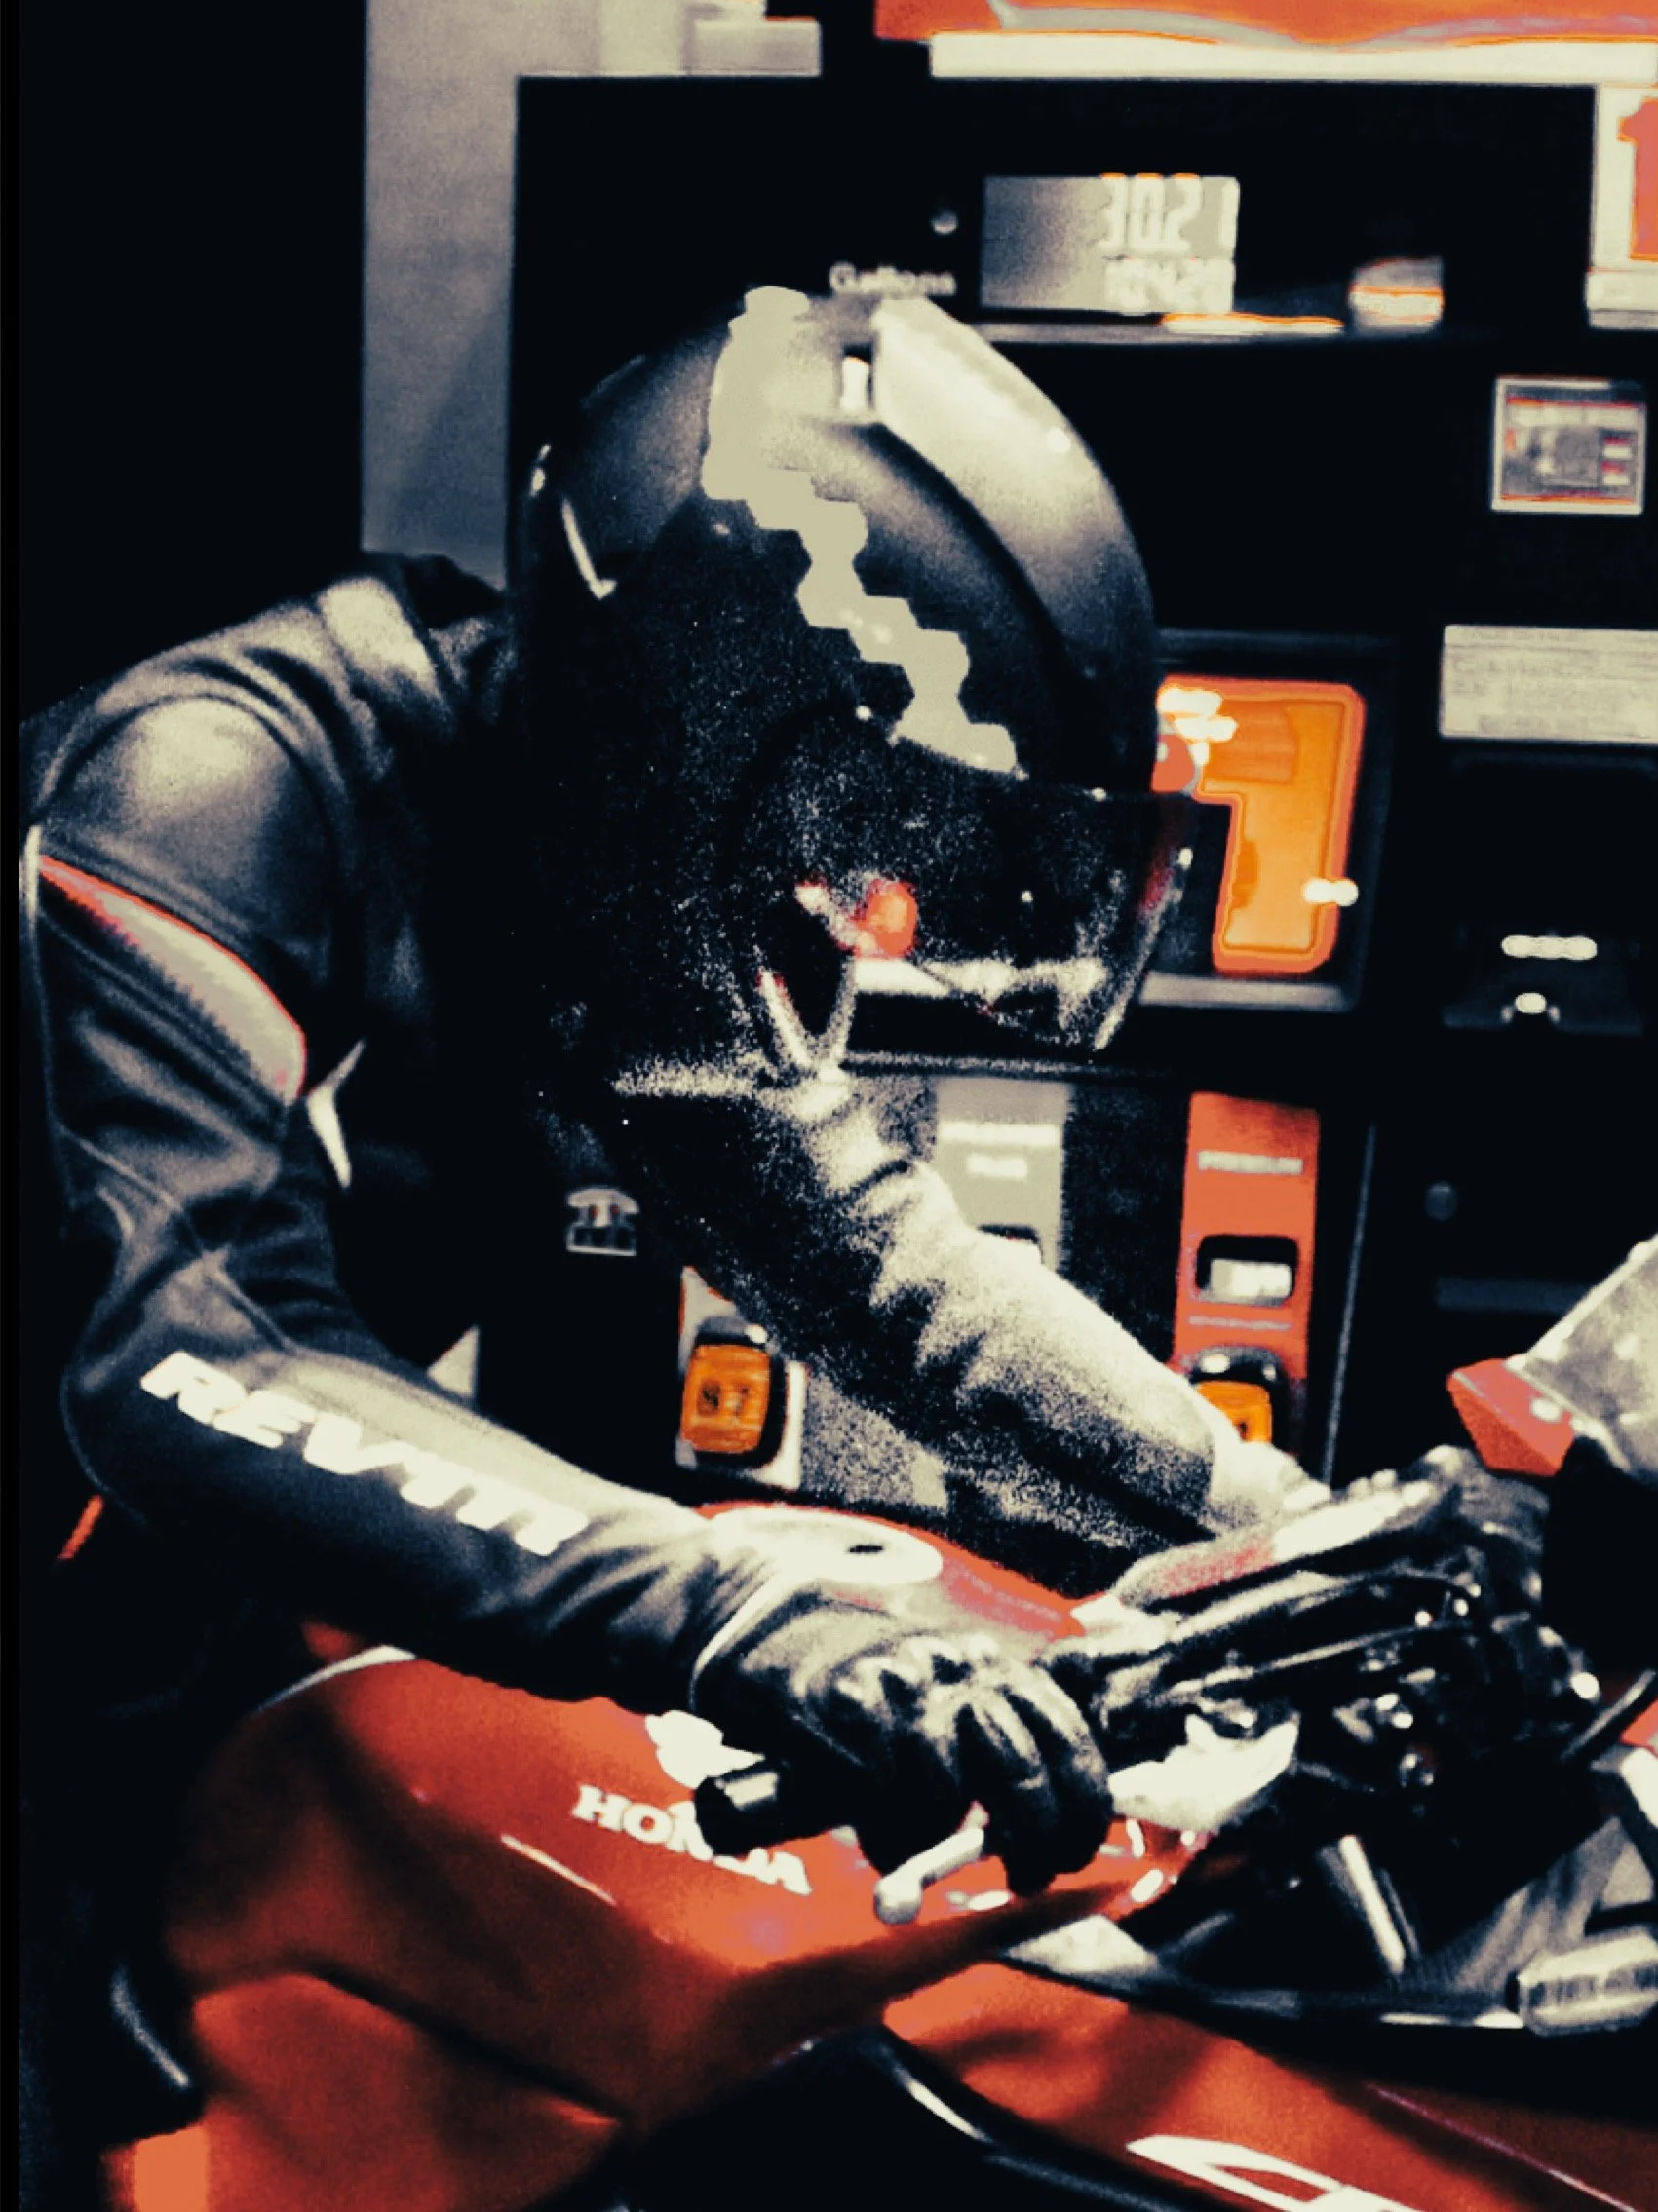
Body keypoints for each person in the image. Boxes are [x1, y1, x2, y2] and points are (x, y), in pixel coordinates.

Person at [18, 286, 1313, 2189]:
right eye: (841, 828)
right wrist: (746, 1619)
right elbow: (190, 1351)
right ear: (693, 724)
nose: (859, 902)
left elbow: (878, 1268)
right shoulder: (211, 784)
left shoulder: (604, 847)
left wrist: (1273, 1517)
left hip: (140, 1601)